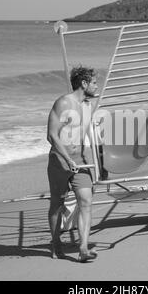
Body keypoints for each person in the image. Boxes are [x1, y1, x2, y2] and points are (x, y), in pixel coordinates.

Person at [47, 65, 98, 262]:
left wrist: (100, 161)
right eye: (94, 82)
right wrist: (67, 159)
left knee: (86, 201)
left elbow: (86, 135)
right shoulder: (62, 103)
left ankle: (83, 247)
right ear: (84, 84)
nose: (96, 86)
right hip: (60, 161)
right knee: (57, 205)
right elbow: (51, 135)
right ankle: (56, 243)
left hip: (80, 162)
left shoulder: (88, 105)